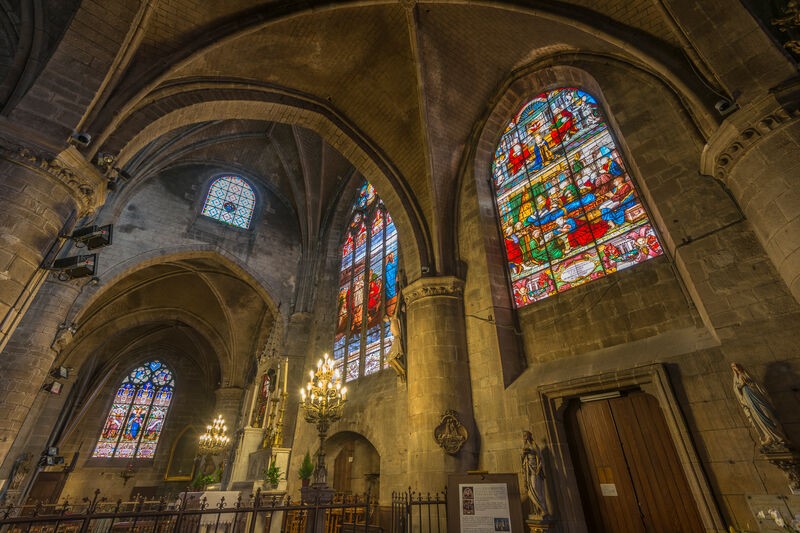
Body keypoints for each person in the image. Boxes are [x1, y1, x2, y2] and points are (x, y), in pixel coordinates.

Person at [731, 363, 789, 449]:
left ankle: (779, 437)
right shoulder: (736, 379)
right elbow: (737, 390)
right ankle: (768, 436)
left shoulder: (748, 375)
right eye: (734, 367)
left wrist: (748, 383)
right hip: (749, 400)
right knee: (758, 418)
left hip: (758, 397)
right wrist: (741, 384)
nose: (736, 368)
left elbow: (758, 386)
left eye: (737, 365)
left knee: (767, 414)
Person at [521, 431, 549, 518]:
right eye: (524, 436)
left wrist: (538, 469)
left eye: (526, 436)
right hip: (528, 471)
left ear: (529, 437)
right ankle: (537, 510)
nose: (524, 438)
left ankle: (543, 509)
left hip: (534, 471)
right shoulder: (524, 447)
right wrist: (523, 454)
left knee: (536, 489)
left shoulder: (534, 446)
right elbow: (522, 459)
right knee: (530, 491)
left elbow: (540, 458)